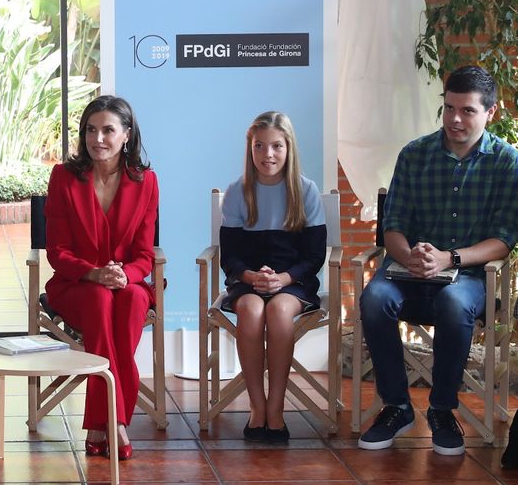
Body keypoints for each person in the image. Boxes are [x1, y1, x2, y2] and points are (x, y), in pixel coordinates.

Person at [357, 66, 518, 457]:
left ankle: (442, 410)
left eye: (466, 111)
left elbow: (502, 241)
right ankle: (396, 407)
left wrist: (450, 258)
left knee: (453, 302)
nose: (455, 119)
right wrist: (410, 256)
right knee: (374, 299)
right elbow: (392, 228)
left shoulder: (507, 162)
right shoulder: (414, 154)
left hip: (469, 277)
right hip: (408, 272)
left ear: (491, 112)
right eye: (448, 109)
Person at [44, 95, 157, 461]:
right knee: (98, 299)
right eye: (91, 130)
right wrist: (95, 273)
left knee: (132, 300)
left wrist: (124, 275)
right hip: (76, 284)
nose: (98, 139)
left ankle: (101, 422)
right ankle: (116, 421)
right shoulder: (63, 177)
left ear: (127, 135)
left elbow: (144, 254)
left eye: (108, 130)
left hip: (127, 284)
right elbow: (57, 252)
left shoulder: (147, 182)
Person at [219, 111, 326, 444]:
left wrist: (283, 278)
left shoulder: (306, 191)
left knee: (279, 312)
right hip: (248, 280)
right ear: (249, 149)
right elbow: (230, 256)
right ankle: (257, 407)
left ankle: (276, 409)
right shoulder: (237, 191)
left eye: (276, 146)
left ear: (289, 148)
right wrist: (251, 276)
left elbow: (314, 257)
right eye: (260, 146)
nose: (268, 155)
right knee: (251, 312)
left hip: (293, 281)